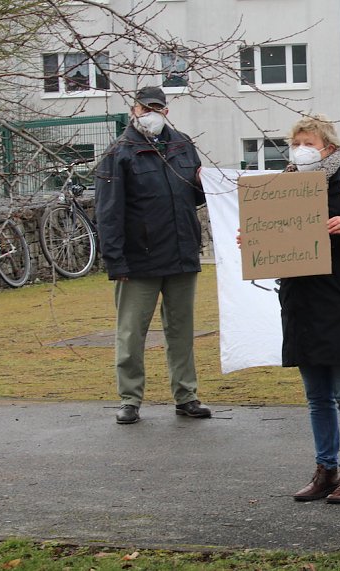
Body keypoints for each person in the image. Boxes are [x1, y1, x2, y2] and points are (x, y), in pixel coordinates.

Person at [240, 116, 340, 503]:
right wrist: (253, 241)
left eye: (308, 141)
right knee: (316, 396)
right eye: (295, 141)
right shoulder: (279, 189)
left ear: (329, 148)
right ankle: (326, 469)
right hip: (301, 303)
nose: (300, 148)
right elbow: (273, 240)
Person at [95, 86, 211, 425]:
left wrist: (205, 182)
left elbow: (196, 197)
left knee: (181, 331)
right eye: (145, 107)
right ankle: (130, 399)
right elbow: (109, 212)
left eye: (157, 107)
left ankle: (186, 395)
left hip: (181, 253)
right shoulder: (119, 153)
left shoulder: (183, 145)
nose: (151, 113)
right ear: (134, 110)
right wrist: (115, 261)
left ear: (167, 110)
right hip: (138, 260)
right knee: (131, 333)